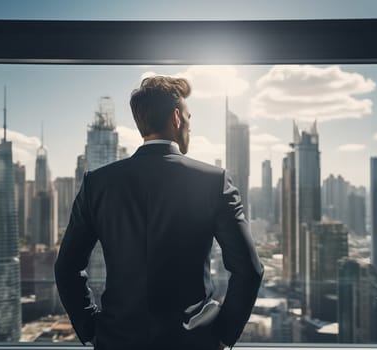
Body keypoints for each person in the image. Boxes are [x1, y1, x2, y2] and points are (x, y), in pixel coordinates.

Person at [55, 76, 263, 350]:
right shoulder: (213, 181)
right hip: (192, 343)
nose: (189, 124)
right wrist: (223, 335)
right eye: (189, 116)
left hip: (117, 342)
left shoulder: (99, 183)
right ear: (177, 118)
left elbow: (67, 267)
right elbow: (249, 270)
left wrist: (91, 329)